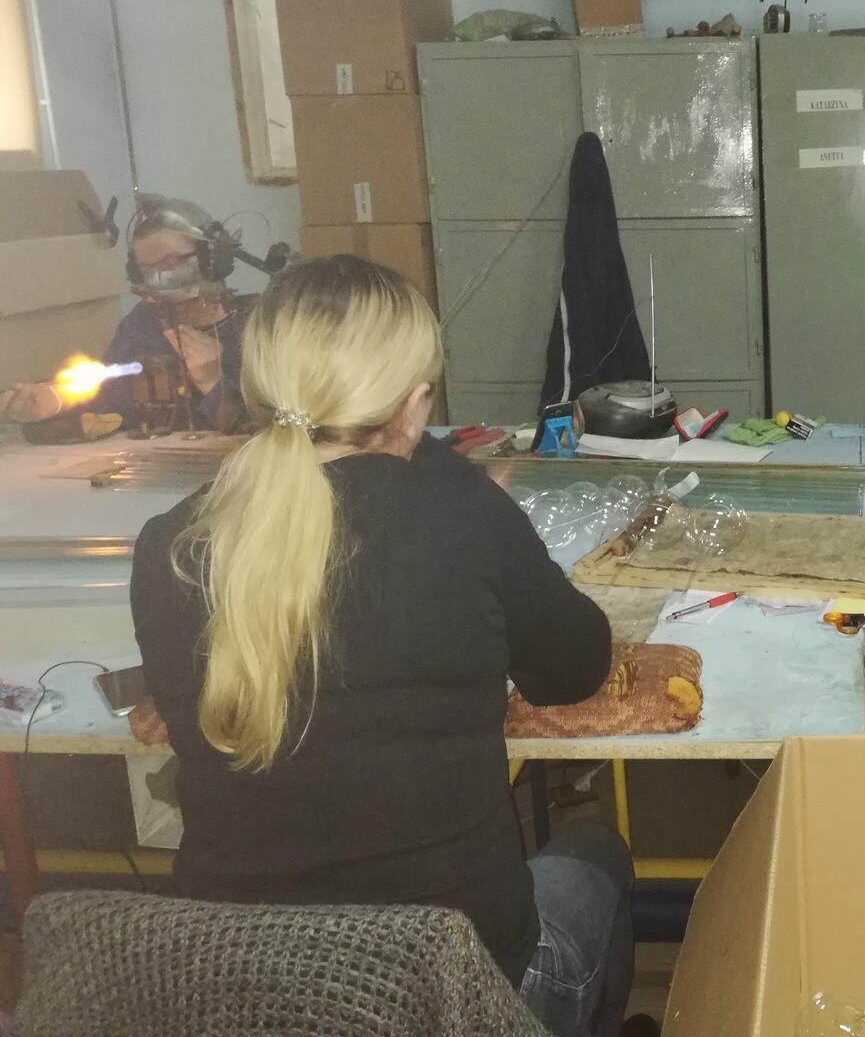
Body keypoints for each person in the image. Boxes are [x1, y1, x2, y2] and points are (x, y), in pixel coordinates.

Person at [129, 256, 637, 1037]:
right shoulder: (463, 515)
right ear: (415, 403)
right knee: (597, 855)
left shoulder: (171, 543)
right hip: (454, 999)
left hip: (237, 993)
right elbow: (574, 670)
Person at [1, 194, 251, 432]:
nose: (160, 279)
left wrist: (213, 382)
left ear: (212, 258)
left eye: (171, 263)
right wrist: (54, 400)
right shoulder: (144, 325)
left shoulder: (257, 324)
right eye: (148, 270)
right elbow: (107, 394)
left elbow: (266, 427)